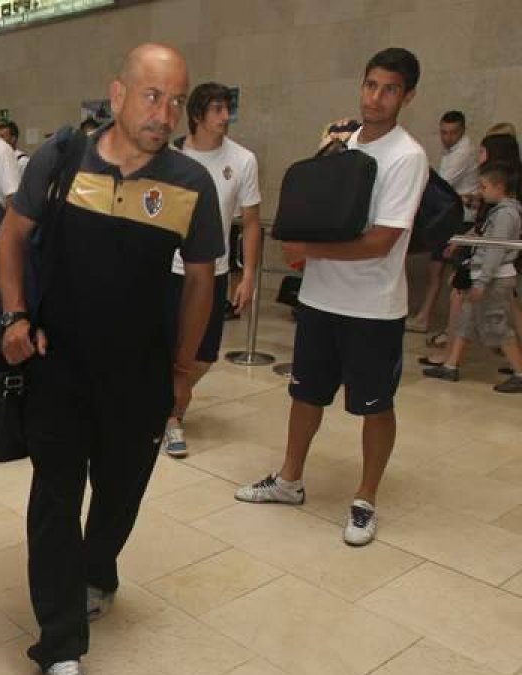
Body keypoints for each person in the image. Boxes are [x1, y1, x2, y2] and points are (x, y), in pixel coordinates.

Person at [0, 44, 223, 675]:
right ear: (118, 94)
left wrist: (183, 372)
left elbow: (202, 281)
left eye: (176, 100)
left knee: (120, 495)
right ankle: (60, 643)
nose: (166, 113)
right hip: (59, 365)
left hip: (141, 374)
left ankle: (98, 569)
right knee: (54, 499)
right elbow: (12, 236)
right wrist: (14, 315)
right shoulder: (62, 159)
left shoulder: (190, 182)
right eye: (153, 96)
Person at [236, 48, 429, 548]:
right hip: (321, 298)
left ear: (407, 96)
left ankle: (365, 498)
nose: (376, 98)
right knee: (304, 393)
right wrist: (328, 153)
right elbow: (320, 202)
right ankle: (289, 480)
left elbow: (382, 240)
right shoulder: (339, 141)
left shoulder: (408, 156)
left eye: (389, 89)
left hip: (373, 306)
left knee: (373, 405)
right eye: (370, 85)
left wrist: (305, 249)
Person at [162, 82, 262, 458]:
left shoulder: (243, 160)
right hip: (165, 270)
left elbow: (251, 222)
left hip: (213, 272)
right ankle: (172, 419)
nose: (225, 118)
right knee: (162, 348)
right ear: (197, 115)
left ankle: (172, 400)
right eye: (217, 110)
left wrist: (248, 274)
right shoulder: (170, 156)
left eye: (227, 110)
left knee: (200, 356)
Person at [422, 162, 522, 392]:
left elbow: (496, 249)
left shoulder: (506, 214)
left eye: (484, 187)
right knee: (465, 321)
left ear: (499, 187)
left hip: (494, 279)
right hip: (485, 276)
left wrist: (483, 281)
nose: (480, 191)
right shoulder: (497, 212)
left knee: (497, 325)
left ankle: (519, 371)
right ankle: (450, 366)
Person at [407, 111, 478, 334]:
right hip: (453, 218)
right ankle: (426, 317)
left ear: (462, 131)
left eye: (452, 133)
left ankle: (431, 320)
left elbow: (443, 185)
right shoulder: (453, 151)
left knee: (442, 274)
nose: (447, 137)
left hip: (458, 221)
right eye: (443, 132)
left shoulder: (463, 152)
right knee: (436, 271)